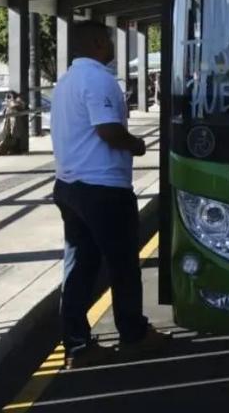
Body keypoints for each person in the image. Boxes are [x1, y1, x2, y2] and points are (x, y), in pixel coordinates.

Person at [51, 20, 164, 368]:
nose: (115, 48)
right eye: (112, 41)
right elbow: (108, 130)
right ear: (99, 43)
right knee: (123, 265)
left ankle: (77, 345)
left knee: (80, 267)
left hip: (69, 186)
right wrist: (138, 145)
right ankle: (133, 334)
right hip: (102, 189)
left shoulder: (65, 82)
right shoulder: (97, 79)